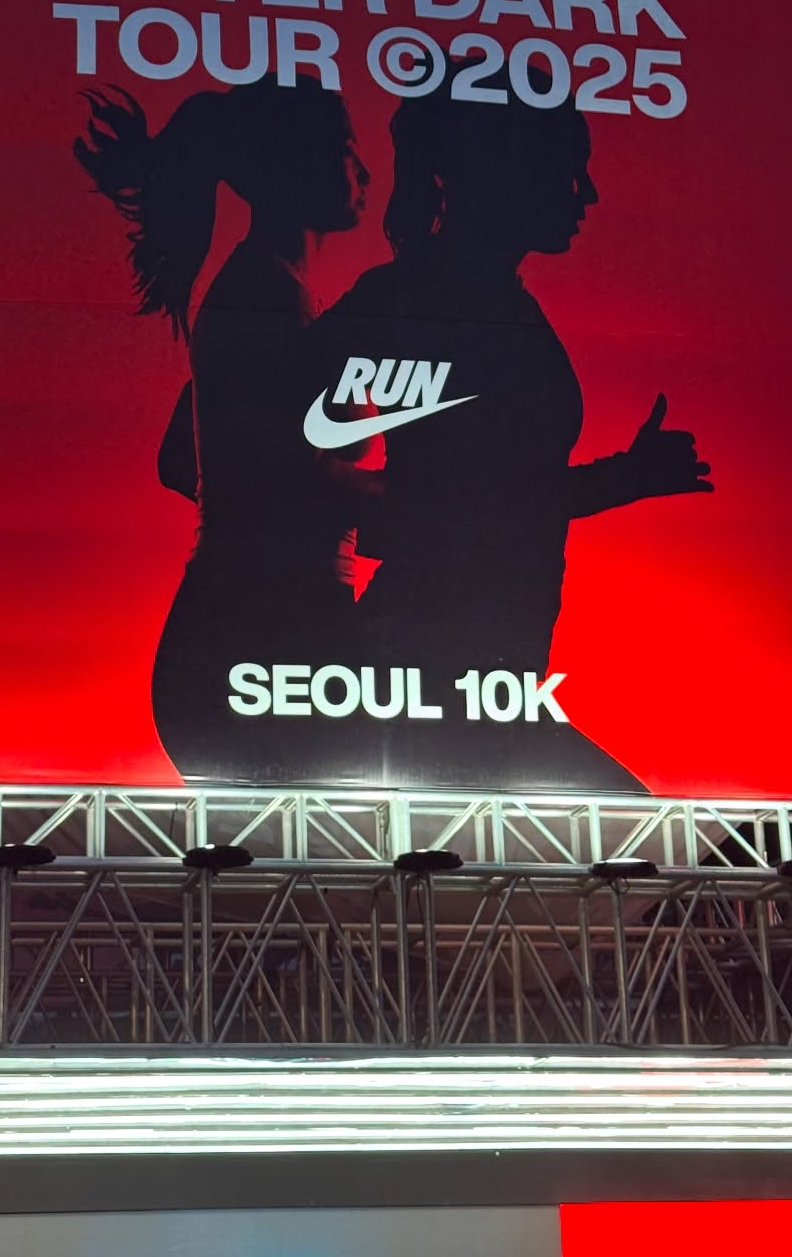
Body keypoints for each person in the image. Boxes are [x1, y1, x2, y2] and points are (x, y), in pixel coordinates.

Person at [332, 60, 713, 791]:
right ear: (499, 171)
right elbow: (482, 503)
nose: (587, 193)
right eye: (567, 169)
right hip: (421, 669)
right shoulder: (408, 295)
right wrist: (376, 529)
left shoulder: (497, 303)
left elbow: (498, 495)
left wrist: (626, 477)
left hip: (491, 680)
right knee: (639, 839)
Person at [75, 73, 375, 782]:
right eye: (346, 149)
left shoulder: (269, 293)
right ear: (296, 163)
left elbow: (184, 461)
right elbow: (299, 477)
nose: (364, 172)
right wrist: (452, 502)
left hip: (263, 632)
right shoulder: (263, 298)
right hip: (256, 643)